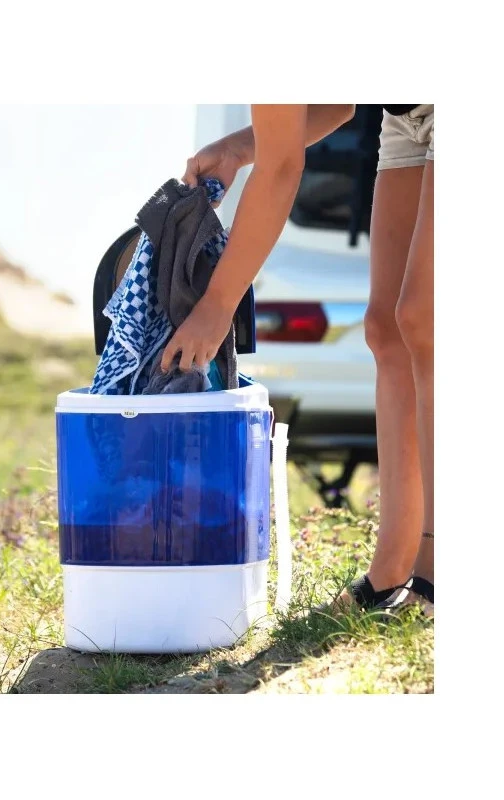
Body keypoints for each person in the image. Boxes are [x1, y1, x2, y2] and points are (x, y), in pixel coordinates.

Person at [162, 104, 434, 615]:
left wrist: (218, 305)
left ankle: (436, 574)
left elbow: (283, 167)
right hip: (405, 118)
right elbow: (338, 105)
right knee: (387, 331)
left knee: (423, 318)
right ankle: (391, 571)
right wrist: (237, 147)